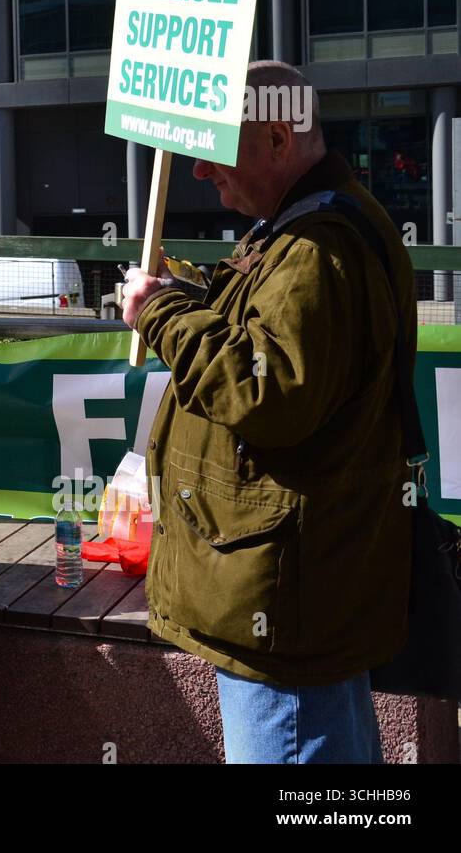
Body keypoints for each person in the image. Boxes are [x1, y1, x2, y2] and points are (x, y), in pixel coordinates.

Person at [121, 60, 413, 763]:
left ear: (279, 138)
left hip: (281, 608)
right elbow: (267, 342)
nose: (196, 169)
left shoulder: (317, 247)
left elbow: (269, 390)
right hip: (299, 591)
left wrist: (161, 312)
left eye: (215, 144)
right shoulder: (309, 225)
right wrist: (188, 297)